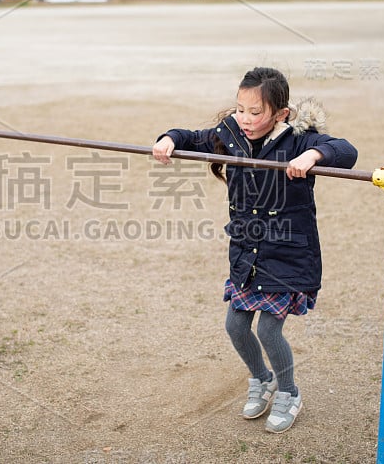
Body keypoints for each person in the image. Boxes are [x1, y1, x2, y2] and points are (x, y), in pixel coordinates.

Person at [152, 67, 357, 433]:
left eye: (255, 112)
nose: (244, 119)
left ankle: (289, 392)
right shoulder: (230, 133)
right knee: (235, 325)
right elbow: (190, 137)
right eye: (240, 109)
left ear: (281, 114)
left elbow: (346, 150)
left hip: (288, 253)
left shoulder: (297, 140)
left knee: (269, 331)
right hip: (248, 251)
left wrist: (314, 157)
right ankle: (262, 379)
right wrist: (169, 138)